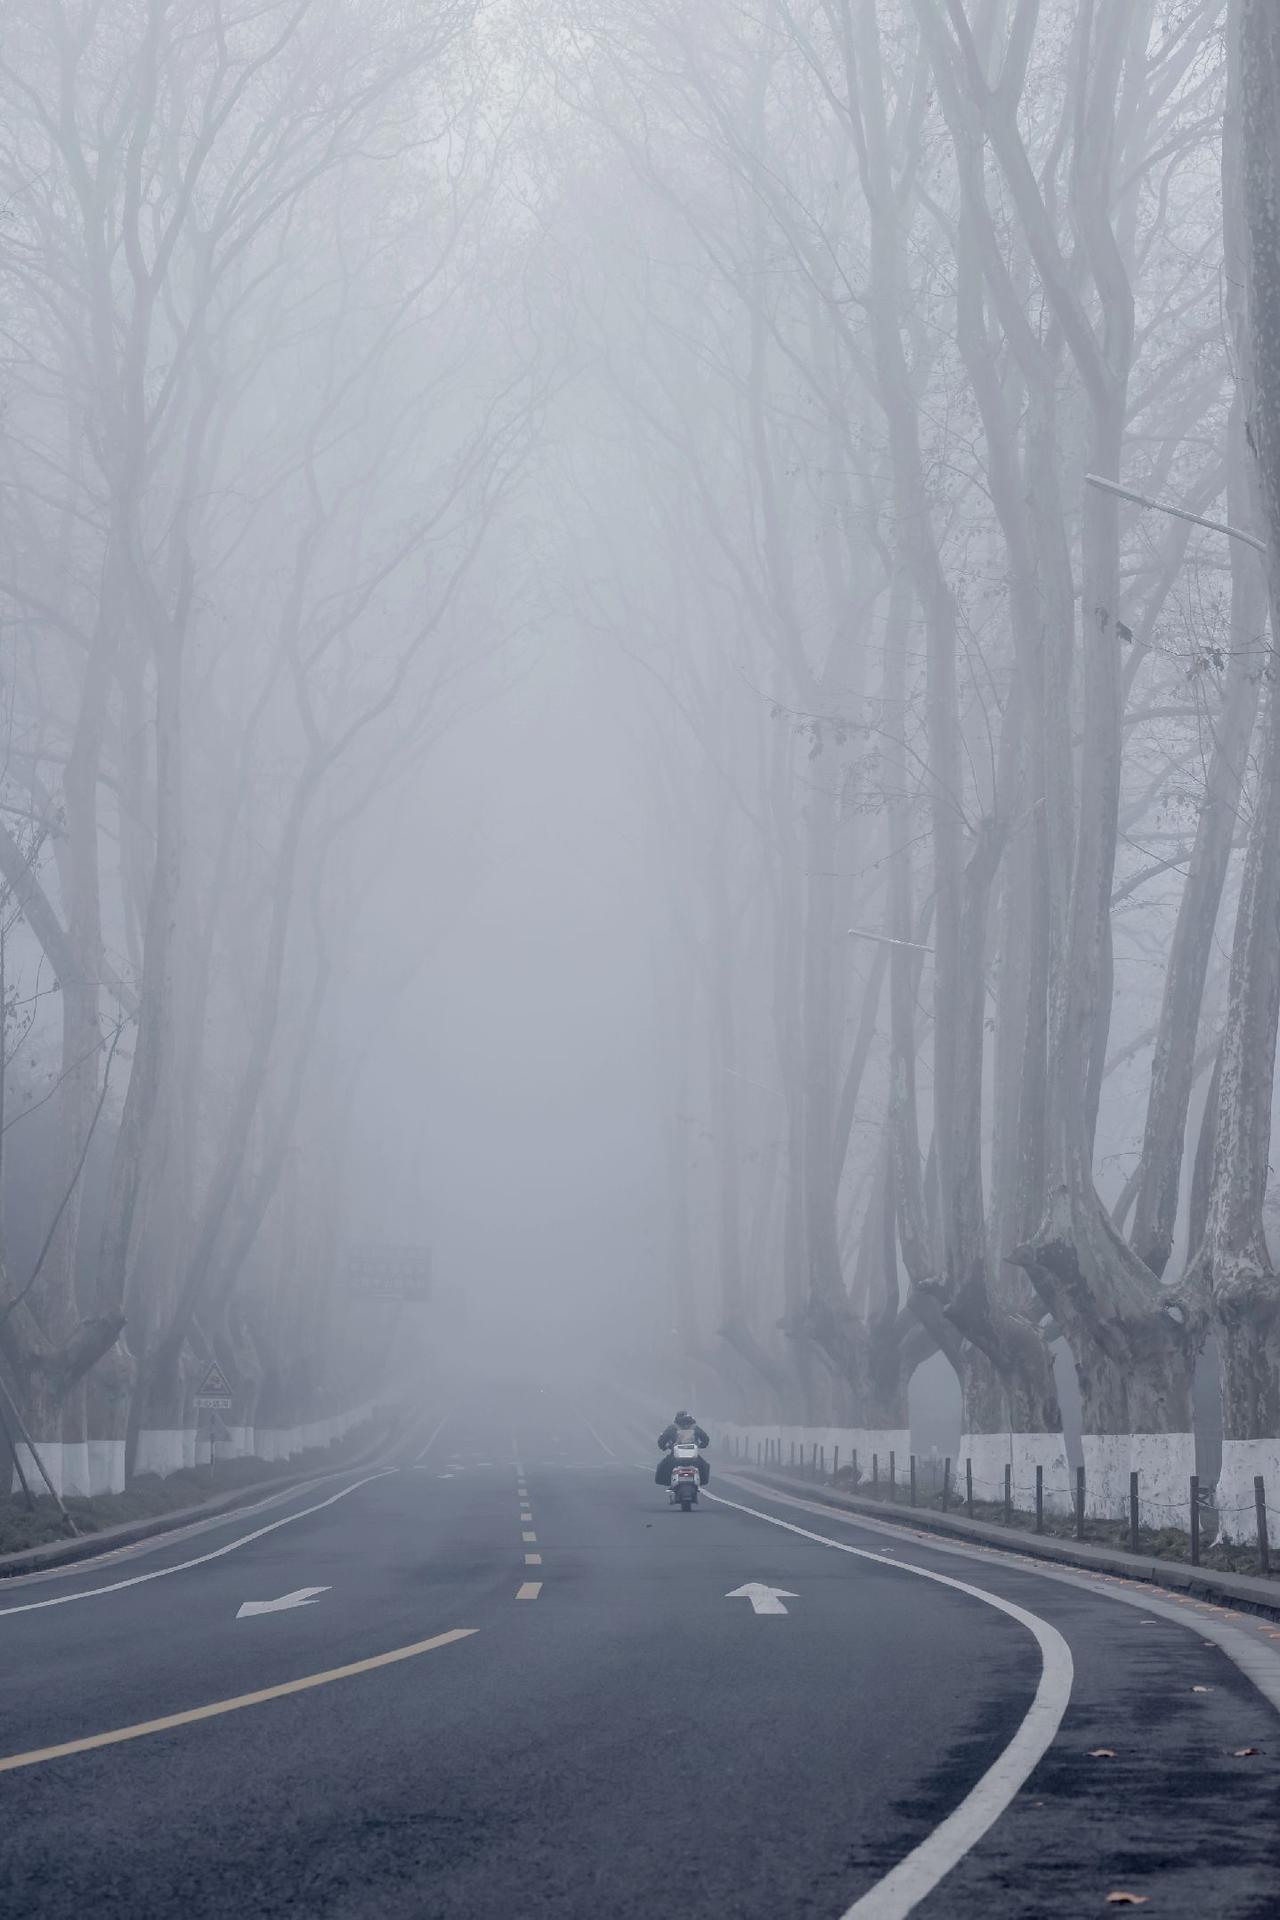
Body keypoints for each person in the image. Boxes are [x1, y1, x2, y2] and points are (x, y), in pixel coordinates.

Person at [655, 1410, 710, 1487]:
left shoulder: (672, 1428)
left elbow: (662, 1440)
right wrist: (701, 1445)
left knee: (662, 1466)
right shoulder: (695, 1427)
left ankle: (669, 1484)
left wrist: (664, 1447)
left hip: (675, 1457)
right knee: (704, 1466)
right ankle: (700, 1483)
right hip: (693, 1457)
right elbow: (705, 1439)